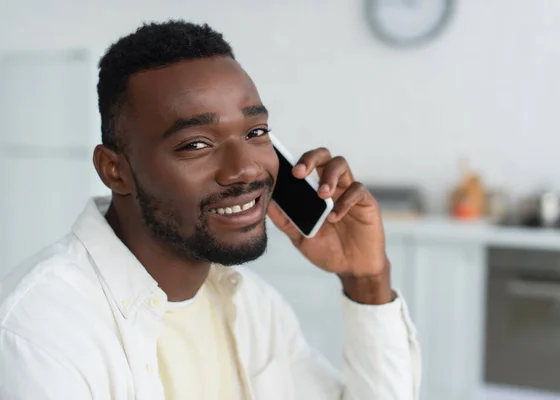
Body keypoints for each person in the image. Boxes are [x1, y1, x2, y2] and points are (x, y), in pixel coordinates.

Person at [0, 20, 420, 400]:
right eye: (196, 144)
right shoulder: (41, 330)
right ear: (115, 171)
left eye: (256, 132)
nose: (245, 169)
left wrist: (367, 280)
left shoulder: (253, 305)